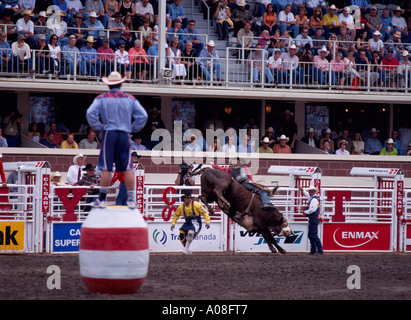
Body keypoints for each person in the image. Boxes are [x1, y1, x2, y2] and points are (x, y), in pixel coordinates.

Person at [86, 71, 148, 208]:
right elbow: (143, 116)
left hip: (110, 133)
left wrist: (99, 126)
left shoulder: (102, 98)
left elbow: (90, 113)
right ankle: (131, 200)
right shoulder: (129, 98)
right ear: (121, 83)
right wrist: (132, 128)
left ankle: (102, 199)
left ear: (108, 84)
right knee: (128, 168)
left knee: (106, 168)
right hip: (124, 133)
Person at [211, 159, 275, 211]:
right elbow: (249, 176)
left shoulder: (229, 169)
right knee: (262, 191)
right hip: (246, 183)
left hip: (237, 186)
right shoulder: (244, 167)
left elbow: (220, 168)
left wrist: (213, 164)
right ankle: (266, 203)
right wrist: (251, 182)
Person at [298, 185, 323, 255]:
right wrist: (302, 190)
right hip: (313, 218)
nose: (310, 193)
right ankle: (315, 250)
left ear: (314, 192)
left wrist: (305, 212)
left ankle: (318, 250)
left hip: (313, 219)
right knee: (312, 235)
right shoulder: (313, 198)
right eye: (309, 191)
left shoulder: (314, 200)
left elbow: (312, 209)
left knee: (313, 235)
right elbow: (308, 197)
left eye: (311, 192)